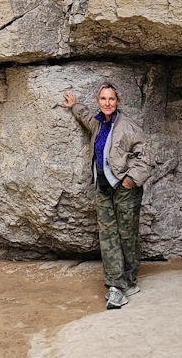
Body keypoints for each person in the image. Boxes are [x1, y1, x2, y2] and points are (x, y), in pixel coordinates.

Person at [60, 83, 153, 310]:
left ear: (117, 101)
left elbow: (147, 156)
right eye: (103, 99)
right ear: (98, 101)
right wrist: (74, 106)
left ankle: (128, 280)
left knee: (127, 234)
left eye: (111, 99)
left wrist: (131, 180)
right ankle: (116, 287)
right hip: (103, 187)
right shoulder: (98, 122)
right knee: (108, 236)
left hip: (124, 188)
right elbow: (85, 117)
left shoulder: (128, 126)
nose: (108, 103)